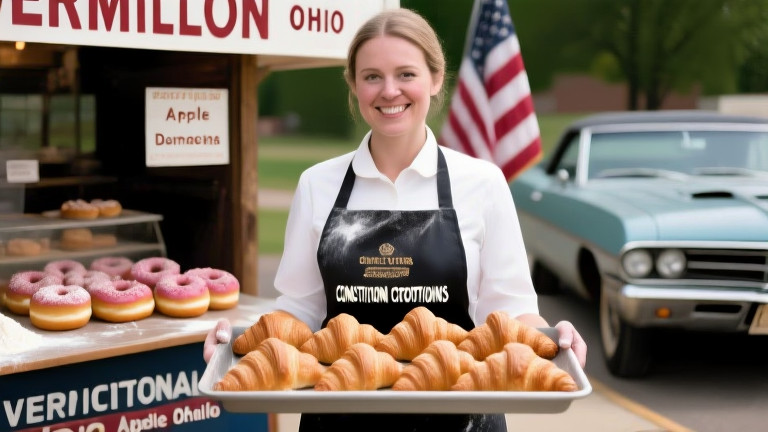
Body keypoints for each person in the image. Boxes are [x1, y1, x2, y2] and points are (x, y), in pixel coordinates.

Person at [204, 7, 586, 431]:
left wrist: (555, 338)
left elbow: (511, 314)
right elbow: (300, 312)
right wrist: (242, 339)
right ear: (353, 84)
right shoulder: (318, 184)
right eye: (372, 76)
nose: (389, 91)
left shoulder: (482, 182)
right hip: (339, 414)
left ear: (435, 79)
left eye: (406, 74)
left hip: (462, 416)